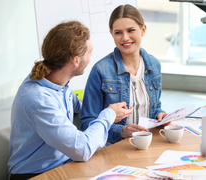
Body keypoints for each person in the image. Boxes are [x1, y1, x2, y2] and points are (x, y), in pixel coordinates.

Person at [8, 21, 133, 179]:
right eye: (90, 52)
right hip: (36, 175)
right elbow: (83, 149)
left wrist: (99, 107)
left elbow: (79, 107)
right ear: (75, 60)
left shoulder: (57, 81)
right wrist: (108, 114)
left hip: (63, 166)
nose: (91, 57)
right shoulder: (40, 100)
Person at [81, 4, 167, 144]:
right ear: (112, 34)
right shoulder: (100, 70)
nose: (125, 38)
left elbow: (155, 107)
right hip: (114, 148)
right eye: (118, 32)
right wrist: (122, 131)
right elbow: (87, 123)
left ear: (143, 30)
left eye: (131, 30)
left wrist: (160, 114)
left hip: (147, 143)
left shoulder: (154, 65)